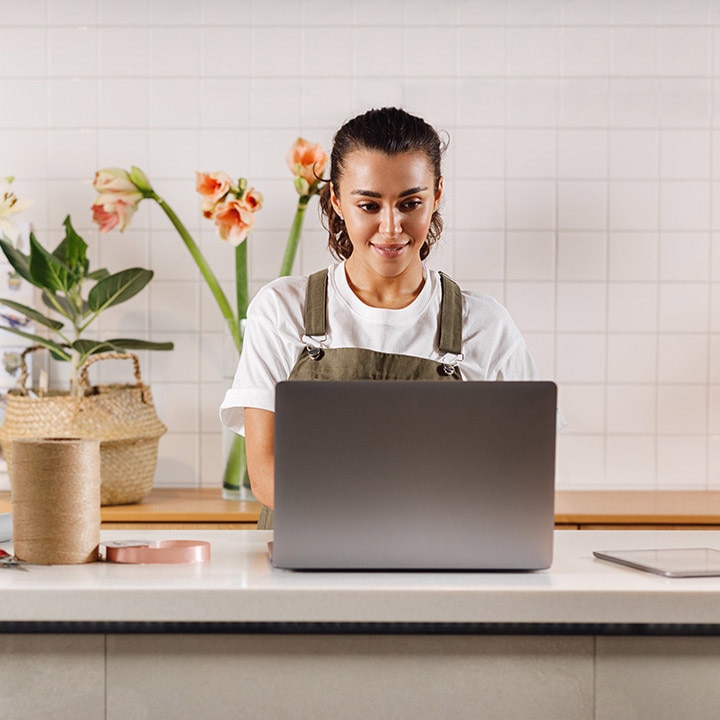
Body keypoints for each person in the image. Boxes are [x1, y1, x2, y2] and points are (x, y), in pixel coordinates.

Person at [220, 107, 550, 529]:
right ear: (337, 200)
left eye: (410, 203)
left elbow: (523, 472)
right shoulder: (282, 310)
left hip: (440, 564)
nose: (391, 227)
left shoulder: (484, 324)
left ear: (437, 194)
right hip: (304, 568)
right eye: (369, 205)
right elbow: (265, 476)